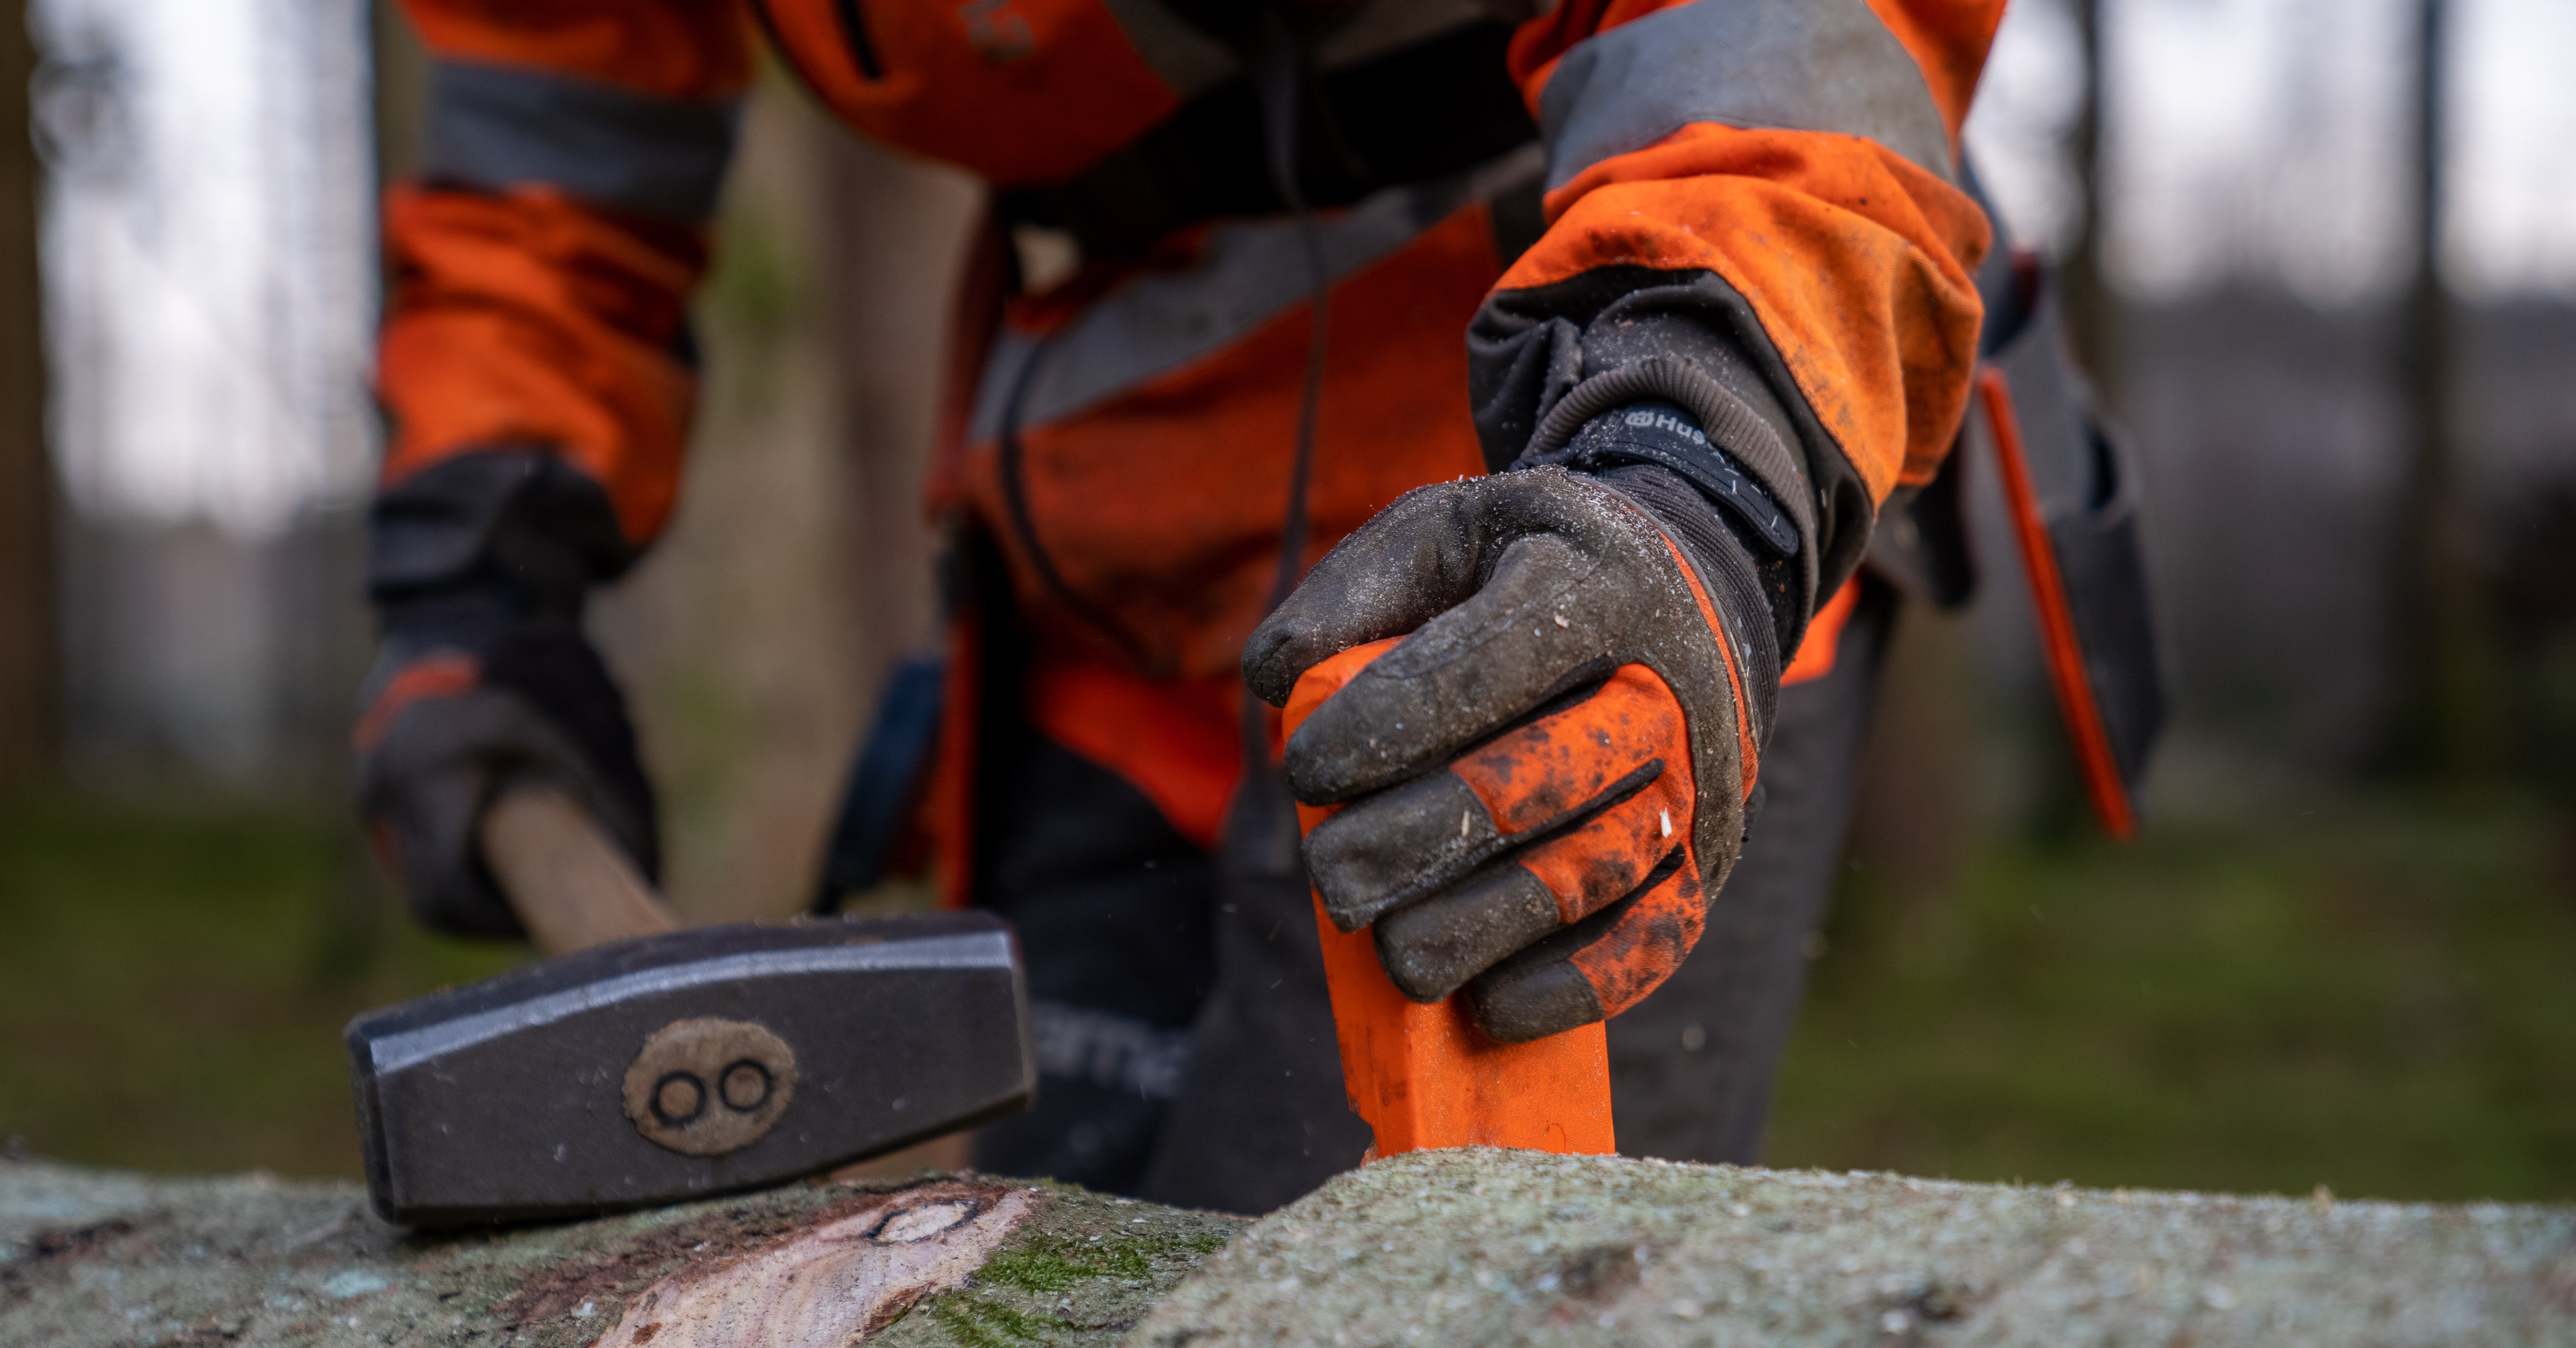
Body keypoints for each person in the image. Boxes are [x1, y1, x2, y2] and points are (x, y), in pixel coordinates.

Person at [355, 0, 2016, 1215]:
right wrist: (481, 573)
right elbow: (553, 132)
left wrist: (1696, 464)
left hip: (1581, 538)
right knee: (1045, 1344)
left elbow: (1776, 38)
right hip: (1105, 551)